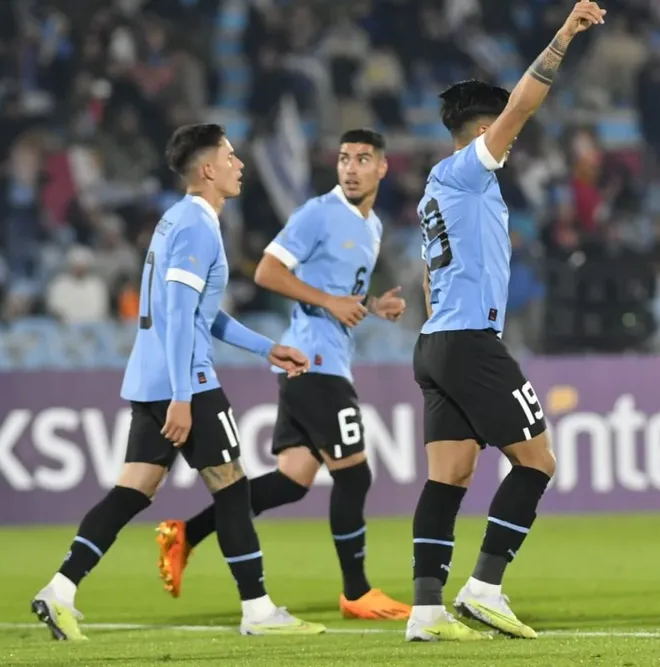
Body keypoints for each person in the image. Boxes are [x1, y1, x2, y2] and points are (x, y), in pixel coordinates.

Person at [30, 124, 326, 640]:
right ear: (207, 168)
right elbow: (179, 312)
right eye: (231, 156)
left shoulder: (176, 219)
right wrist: (185, 397)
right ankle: (258, 610)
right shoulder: (196, 226)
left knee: (133, 491)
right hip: (184, 380)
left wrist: (265, 347)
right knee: (232, 491)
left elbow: (199, 315)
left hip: (150, 379)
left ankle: (60, 590)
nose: (239, 164)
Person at [405, 0, 607, 643]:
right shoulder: (465, 170)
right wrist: (564, 36)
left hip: (436, 342)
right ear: (482, 127)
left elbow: (432, 282)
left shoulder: (438, 190)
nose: (512, 136)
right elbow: (523, 105)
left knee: (449, 477)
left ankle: (426, 611)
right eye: (502, 127)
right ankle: (485, 588)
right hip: (467, 342)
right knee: (538, 462)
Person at [155, 129, 410, 620]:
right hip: (314, 365)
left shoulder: (372, 226)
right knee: (356, 477)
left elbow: (336, 290)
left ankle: (184, 534)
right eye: (343, 159)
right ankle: (356, 592)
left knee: (293, 481)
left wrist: (372, 305)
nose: (351, 168)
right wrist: (330, 302)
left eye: (362, 159)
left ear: (382, 167)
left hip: (321, 363)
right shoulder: (319, 212)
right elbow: (269, 272)